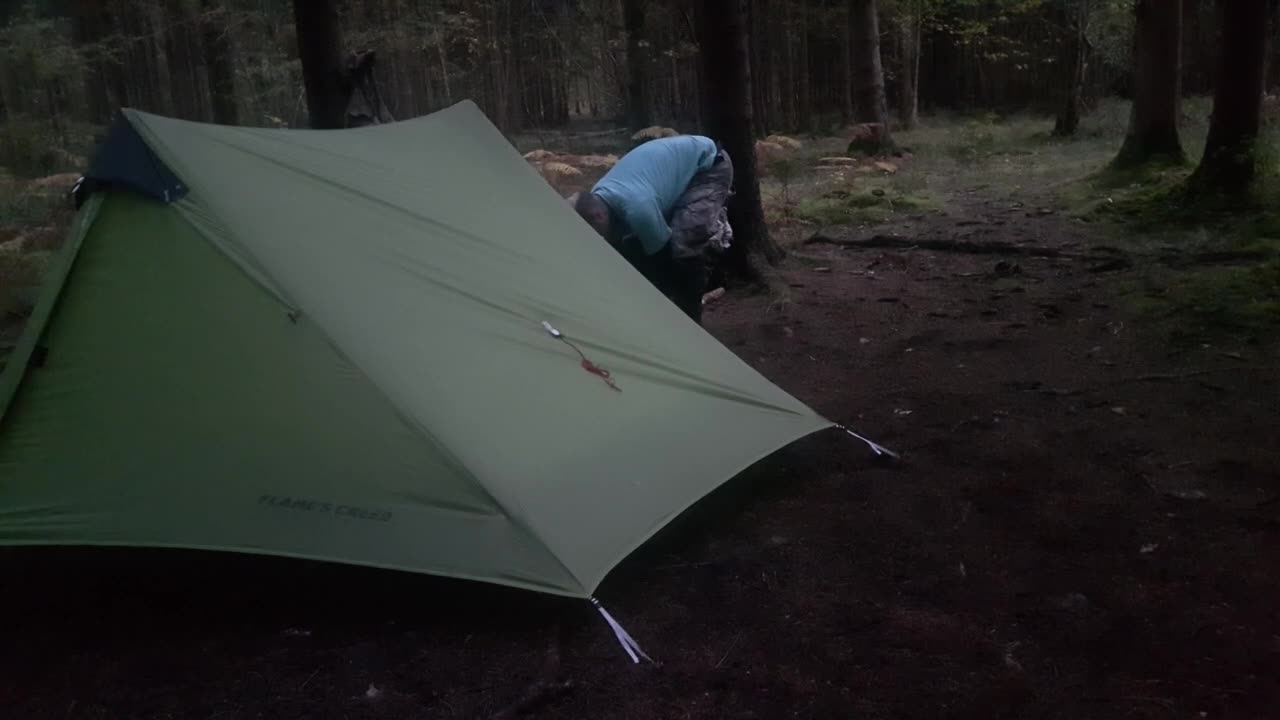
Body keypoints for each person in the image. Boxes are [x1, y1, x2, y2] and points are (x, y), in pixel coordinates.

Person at [569, 135, 733, 324]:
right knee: (633, 242)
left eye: (597, 234)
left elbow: (661, 257)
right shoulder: (600, 195)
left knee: (684, 243)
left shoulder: (638, 208)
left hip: (709, 166)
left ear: (599, 217)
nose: (599, 239)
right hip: (675, 169)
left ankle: (691, 318)